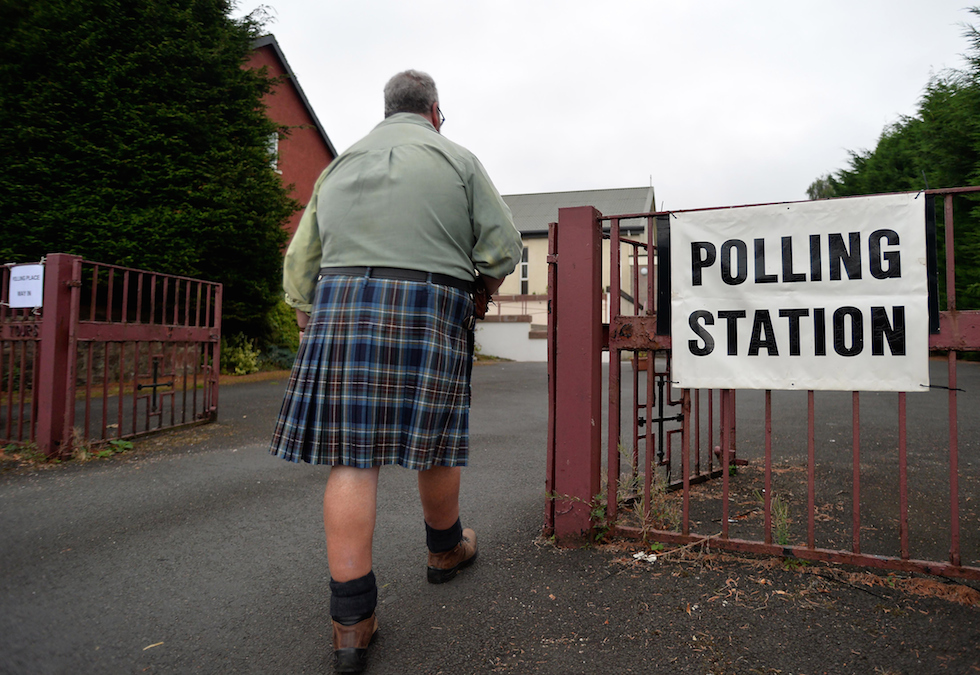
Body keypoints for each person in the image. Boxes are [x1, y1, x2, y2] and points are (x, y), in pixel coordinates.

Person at [270, 69, 523, 674]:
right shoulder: (457, 159)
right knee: (436, 434)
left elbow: (300, 262)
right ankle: (445, 551)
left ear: (387, 111)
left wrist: (309, 321)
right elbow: (503, 246)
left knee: (352, 456)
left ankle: (352, 623)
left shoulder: (339, 165)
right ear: (435, 111)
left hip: (340, 303)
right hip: (430, 301)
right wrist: (481, 292)